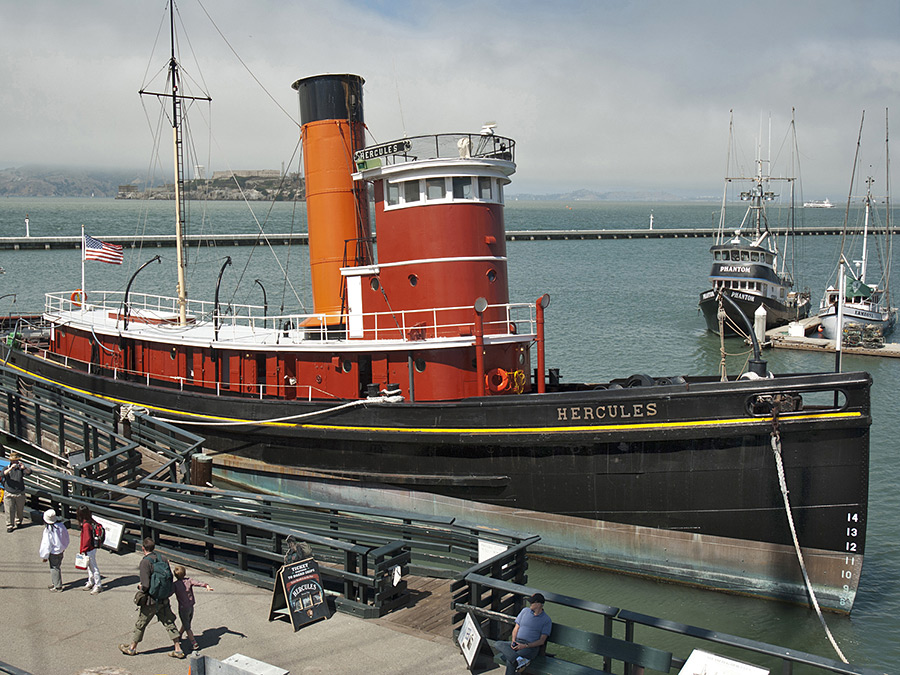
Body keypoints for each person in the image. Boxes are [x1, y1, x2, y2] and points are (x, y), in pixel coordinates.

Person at [119, 538, 184, 659]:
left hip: (151, 601)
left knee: (141, 623)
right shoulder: (163, 559)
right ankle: (178, 649)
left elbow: (145, 585)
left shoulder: (145, 562)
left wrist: (140, 587)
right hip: (163, 598)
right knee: (169, 622)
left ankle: (132, 648)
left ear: (143, 548)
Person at [494, 593, 552, 674]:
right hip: (517, 642)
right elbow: (516, 629)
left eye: (532, 602)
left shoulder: (546, 620)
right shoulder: (525, 611)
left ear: (539, 604)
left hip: (530, 648)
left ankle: (517, 660)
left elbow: (541, 641)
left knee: (510, 660)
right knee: (498, 644)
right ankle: (520, 661)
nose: (530, 604)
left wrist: (525, 646)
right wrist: (513, 641)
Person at [172, 564, 214, 652]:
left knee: (187, 627)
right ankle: (179, 634)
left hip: (183, 608)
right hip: (191, 606)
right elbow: (198, 583)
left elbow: (168, 592)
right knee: (186, 621)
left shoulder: (175, 585)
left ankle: (194, 643)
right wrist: (206, 585)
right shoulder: (189, 581)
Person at [39, 509, 70, 592]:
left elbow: (46, 544)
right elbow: (66, 538)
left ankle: (57, 586)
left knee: (54, 568)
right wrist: (64, 547)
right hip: (61, 550)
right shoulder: (61, 526)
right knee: (57, 566)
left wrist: (44, 556)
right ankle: (55, 582)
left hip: (53, 552)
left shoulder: (48, 530)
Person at [76, 505, 103, 594]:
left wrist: (83, 549)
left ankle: (98, 585)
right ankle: (91, 581)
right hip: (92, 547)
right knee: (90, 566)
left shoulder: (86, 525)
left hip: (88, 549)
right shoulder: (90, 521)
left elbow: (86, 539)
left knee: (93, 567)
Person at [3, 452, 33, 532]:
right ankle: (9, 525)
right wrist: (11, 468)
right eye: (14, 461)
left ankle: (18, 522)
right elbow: (3, 474)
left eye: (16, 461)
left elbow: (29, 472)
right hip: (9, 492)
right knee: (9, 510)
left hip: (20, 492)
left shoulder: (21, 469)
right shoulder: (7, 468)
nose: (15, 463)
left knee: (20, 509)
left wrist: (23, 468)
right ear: (11, 461)